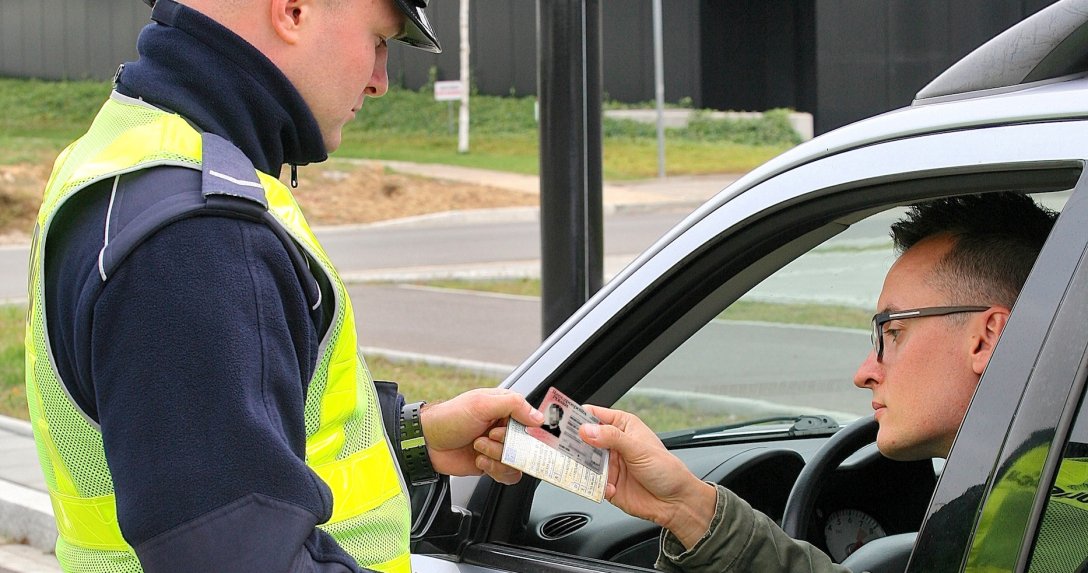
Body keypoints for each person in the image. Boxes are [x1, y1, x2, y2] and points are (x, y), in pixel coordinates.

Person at [24, 1, 539, 572]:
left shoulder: (133, 154)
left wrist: (415, 438)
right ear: (293, 9)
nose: (380, 81)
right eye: (378, 40)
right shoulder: (200, 240)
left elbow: (197, 443)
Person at [474, 193, 1079, 571]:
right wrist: (684, 506)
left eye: (891, 331)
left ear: (987, 338)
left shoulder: (1045, 527)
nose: (865, 370)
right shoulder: (1040, 492)